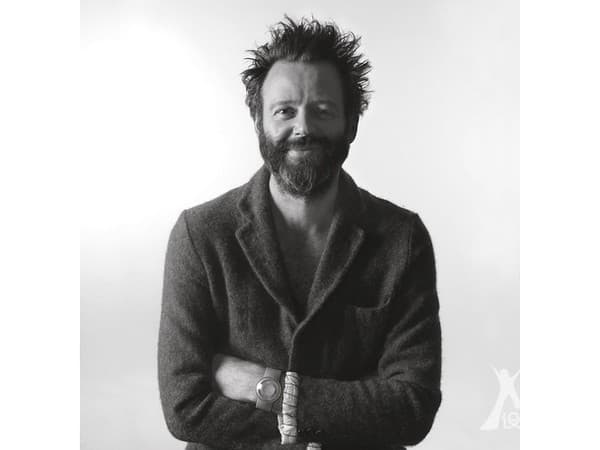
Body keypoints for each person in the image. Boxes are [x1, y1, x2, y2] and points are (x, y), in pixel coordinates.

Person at [158, 16, 442, 450]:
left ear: (351, 123)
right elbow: (184, 406)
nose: (303, 128)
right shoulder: (199, 235)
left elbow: (411, 407)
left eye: (322, 110)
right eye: (284, 111)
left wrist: (268, 388)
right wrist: (346, 410)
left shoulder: (402, 239)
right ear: (258, 121)